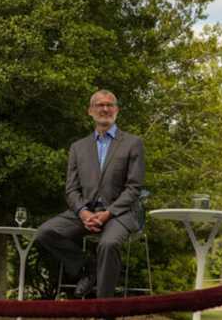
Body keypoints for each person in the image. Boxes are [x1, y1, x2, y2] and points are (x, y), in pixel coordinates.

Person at [36, 90, 145, 300]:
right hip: (85, 212)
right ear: (90, 111)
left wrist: (108, 214)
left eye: (110, 104)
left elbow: (134, 188)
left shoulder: (133, 143)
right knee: (45, 233)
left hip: (119, 214)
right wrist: (83, 212)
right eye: (99, 105)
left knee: (108, 244)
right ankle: (88, 266)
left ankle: (104, 308)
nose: (105, 109)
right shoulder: (78, 147)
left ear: (117, 110)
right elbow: (71, 189)